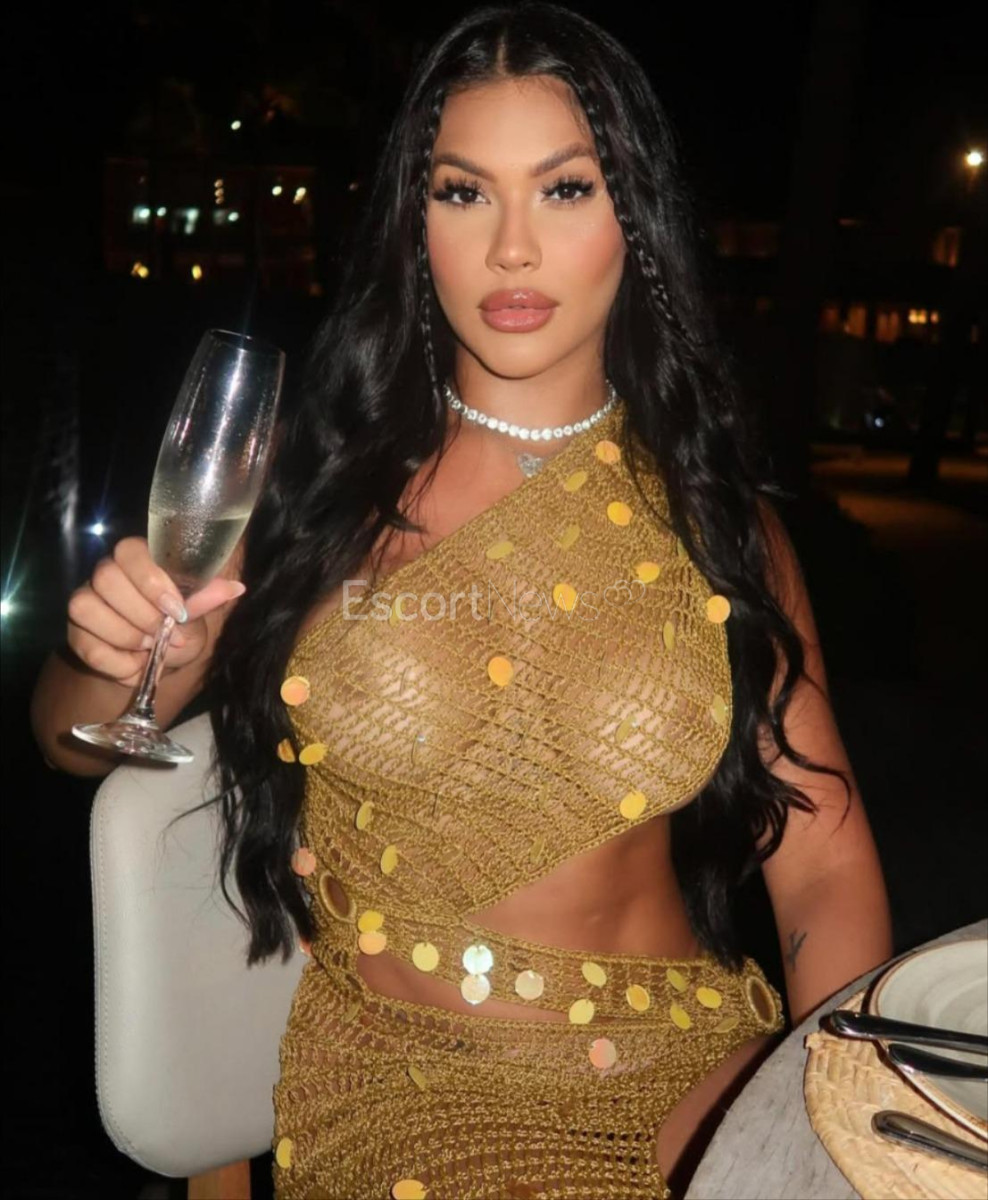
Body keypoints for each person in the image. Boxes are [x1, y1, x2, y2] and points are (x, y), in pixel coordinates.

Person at [30, 4, 893, 1197]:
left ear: (634, 220)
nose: (512, 250)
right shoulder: (312, 496)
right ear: (413, 222)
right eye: (463, 192)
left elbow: (824, 866)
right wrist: (116, 655)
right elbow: (73, 739)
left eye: (565, 189)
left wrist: (833, 1111)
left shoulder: (718, 527)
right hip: (415, 1092)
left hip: (694, 1064)